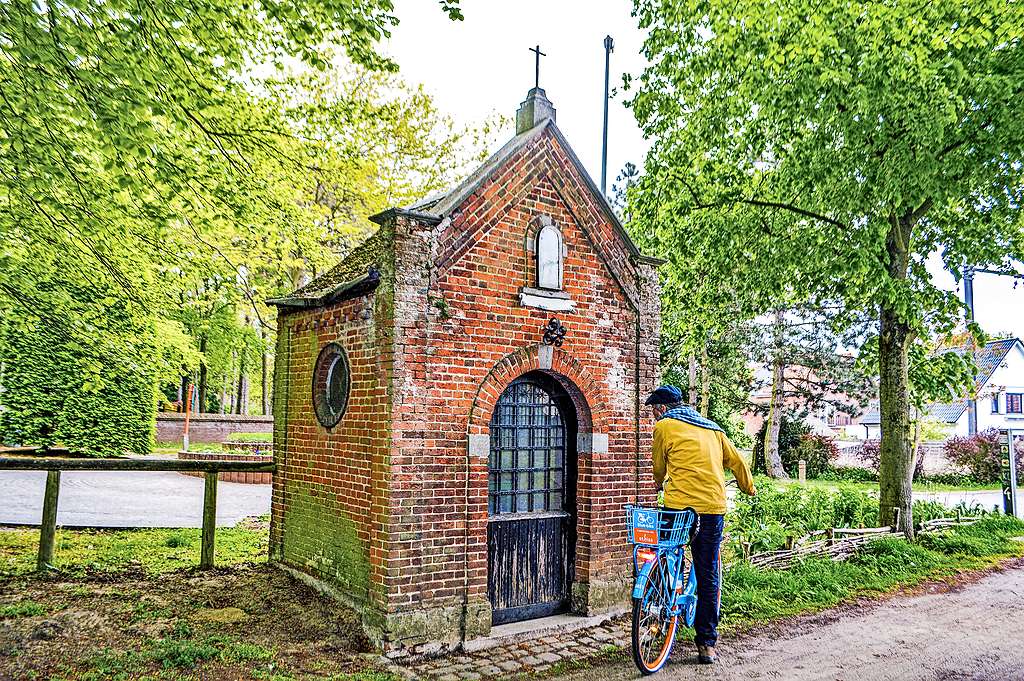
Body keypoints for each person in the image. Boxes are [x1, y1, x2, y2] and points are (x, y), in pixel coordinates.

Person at [646, 384, 756, 665]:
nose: (654, 416)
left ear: (661, 409)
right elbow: (738, 462)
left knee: (666, 554)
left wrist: (658, 483)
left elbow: (658, 466)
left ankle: (660, 614)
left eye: (654, 411)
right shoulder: (714, 429)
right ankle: (707, 644)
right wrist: (749, 488)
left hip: (678, 507)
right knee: (707, 573)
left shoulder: (664, 426)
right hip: (711, 508)